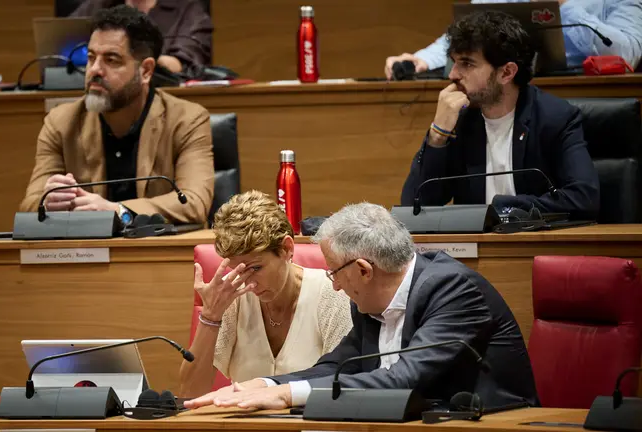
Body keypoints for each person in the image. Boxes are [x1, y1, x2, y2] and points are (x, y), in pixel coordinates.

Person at [184, 202, 539, 410]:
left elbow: (405, 379)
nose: (334, 285)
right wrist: (262, 384)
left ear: (364, 270)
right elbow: (337, 368)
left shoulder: (452, 290)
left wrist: (287, 395)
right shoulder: (368, 302)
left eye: (335, 273)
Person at [21, 5, 214, 224]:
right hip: (87, 254)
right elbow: (29, 206)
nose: (95, 70)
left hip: (157, 253)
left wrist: (118, 210)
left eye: (111, 60)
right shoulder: (60, 122)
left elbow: (194, 202)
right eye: (91, 58)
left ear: (146, 71)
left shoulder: (187, 119)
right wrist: (47, 203)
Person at [400, 10, 599, 219]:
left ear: (506, 72)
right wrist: (437, 136)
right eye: (454, 62)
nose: (453, 74)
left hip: (536, 244)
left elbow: (584, 199)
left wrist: (502, 208)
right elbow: (413, 208)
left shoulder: (555, 118)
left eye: (466, 64)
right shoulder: (459, 120)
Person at [179, 190, 352, 398]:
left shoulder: (333, 294)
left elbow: (343, 386)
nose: (248, 283)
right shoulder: (229, 296)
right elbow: (190, 393)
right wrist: (210, 317)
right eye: (237, 270)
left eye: (255, 268)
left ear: (287, 249)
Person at [385, 0, 642, 79]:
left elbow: (627, 53)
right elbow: (470, 31)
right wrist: (419, 60)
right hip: (507, 96)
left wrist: (563, 4)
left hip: (584, 103)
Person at [71, 0, 213, 75]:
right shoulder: (100, 5)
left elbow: (183, 65)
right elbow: (60, 49)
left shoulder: (188, 9)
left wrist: (127, 60)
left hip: (165, 99)